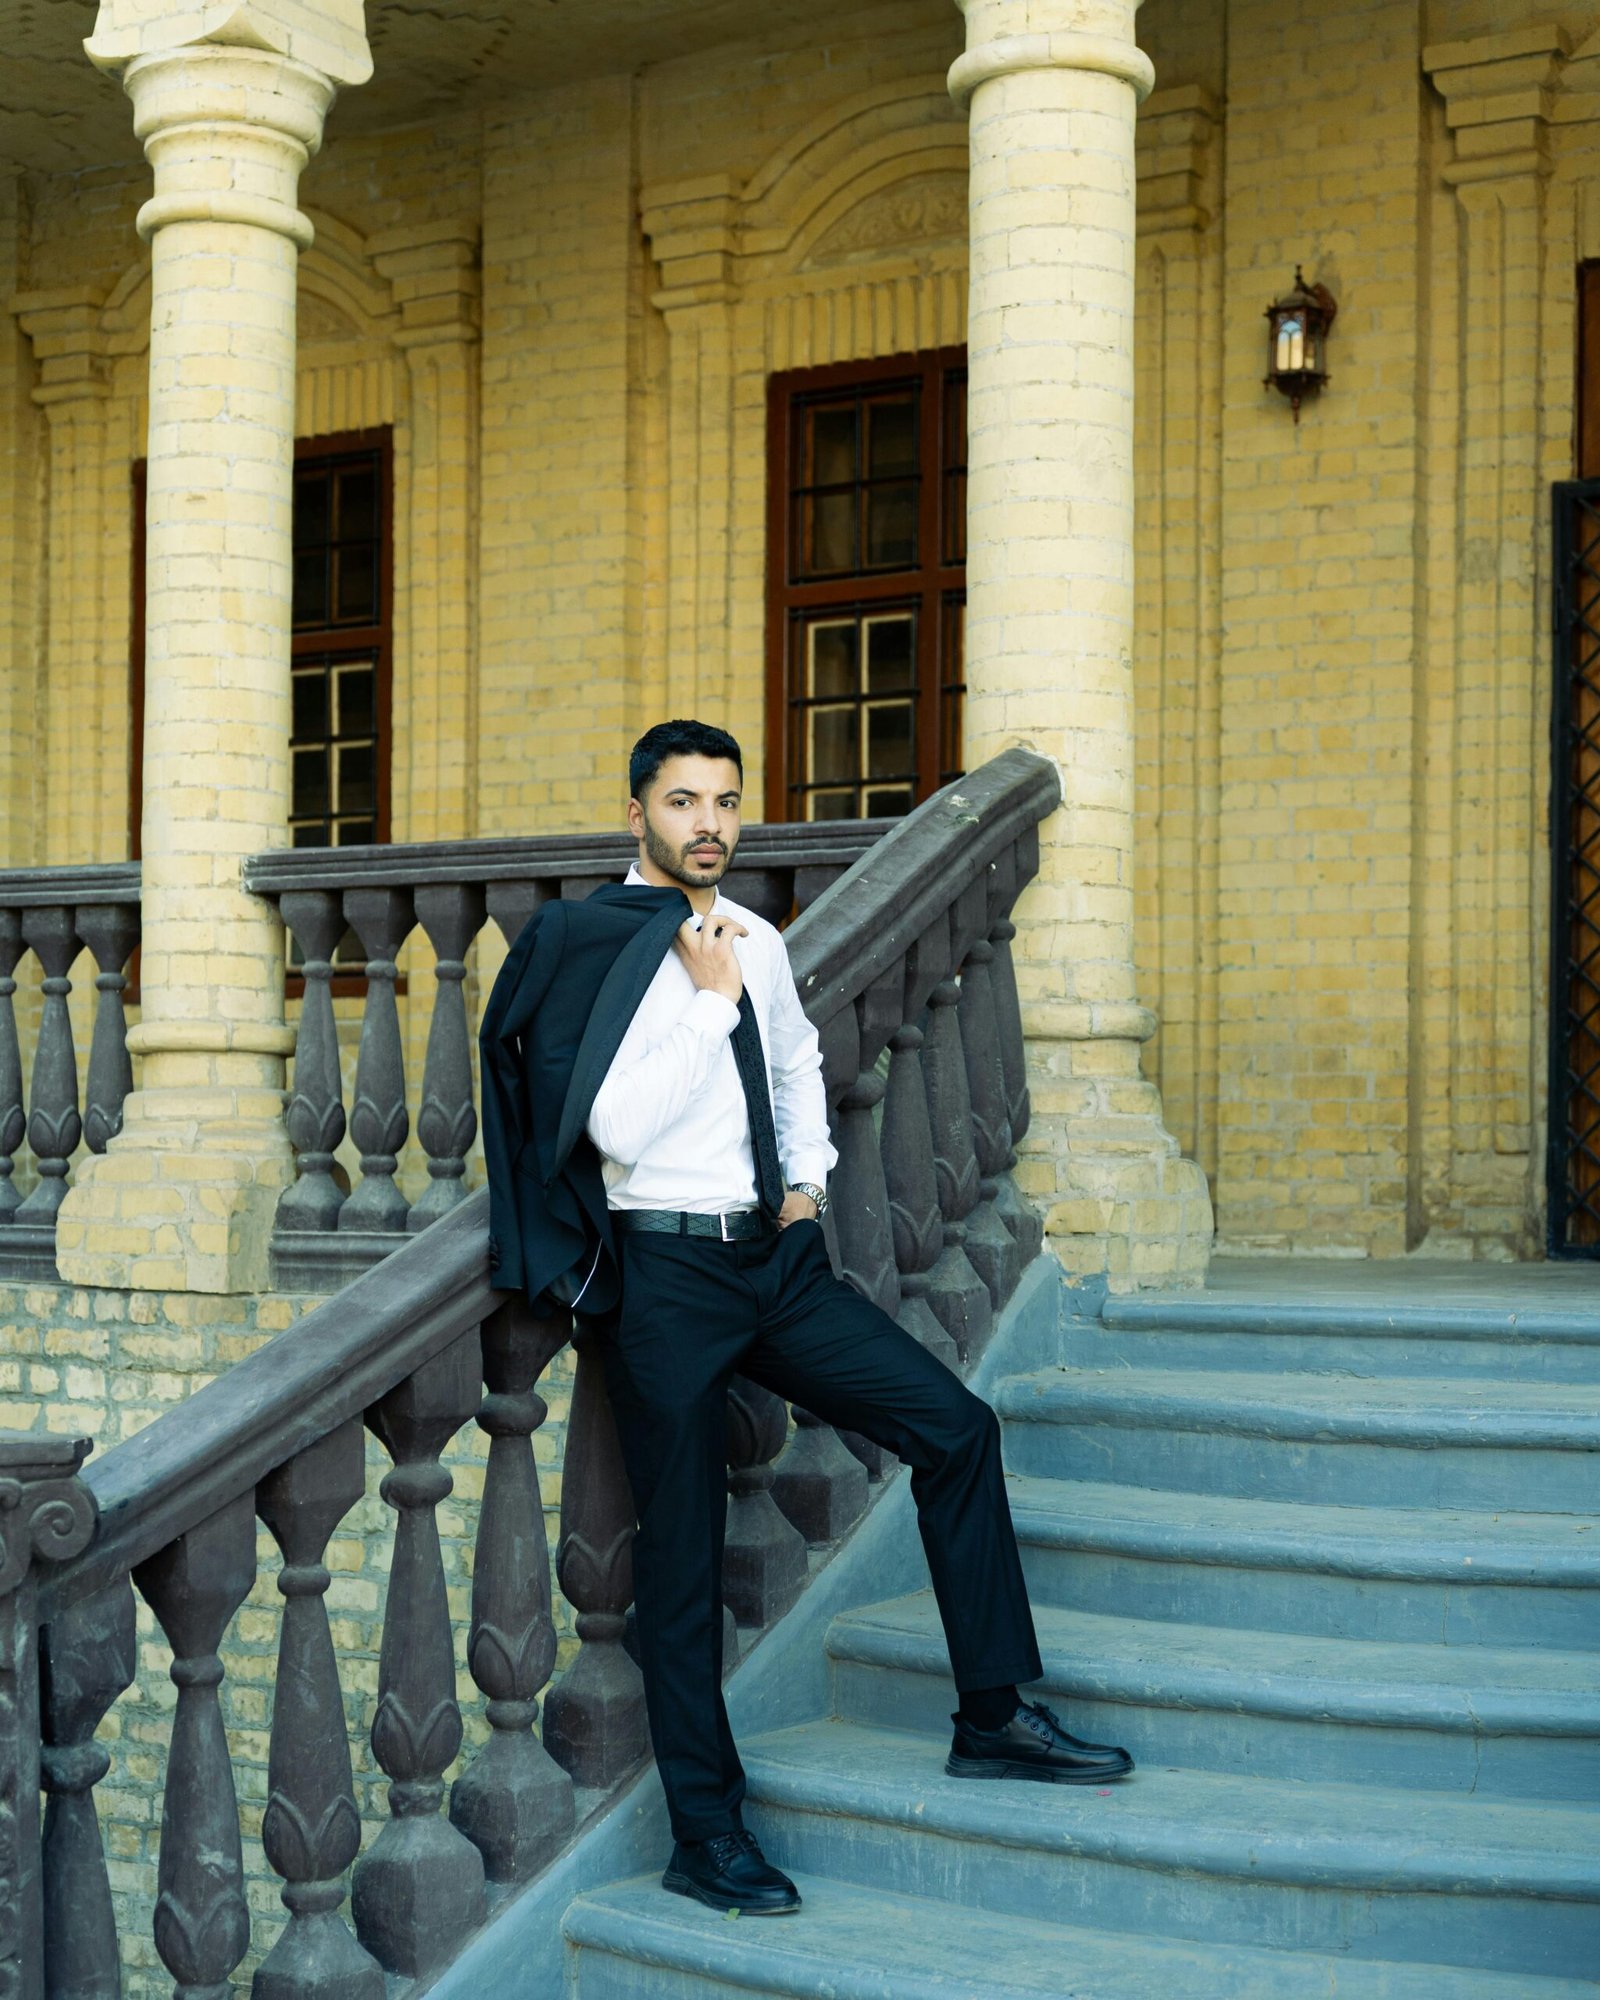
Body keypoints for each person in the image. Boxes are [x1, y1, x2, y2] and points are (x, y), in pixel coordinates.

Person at [482, 718, 1133, 1919]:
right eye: (683, 801)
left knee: (954, 1427)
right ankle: (707, 1833)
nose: (709, 824)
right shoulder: (594, 945)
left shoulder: (760, 940)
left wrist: (806, 1189)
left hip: (771, 1260)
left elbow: (792, 1065)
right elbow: (612, 1126)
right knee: (681, 1563)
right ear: (638, 815)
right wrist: (703, 1002)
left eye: (726, 801)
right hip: (663, 1274)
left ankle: (991, 1712)